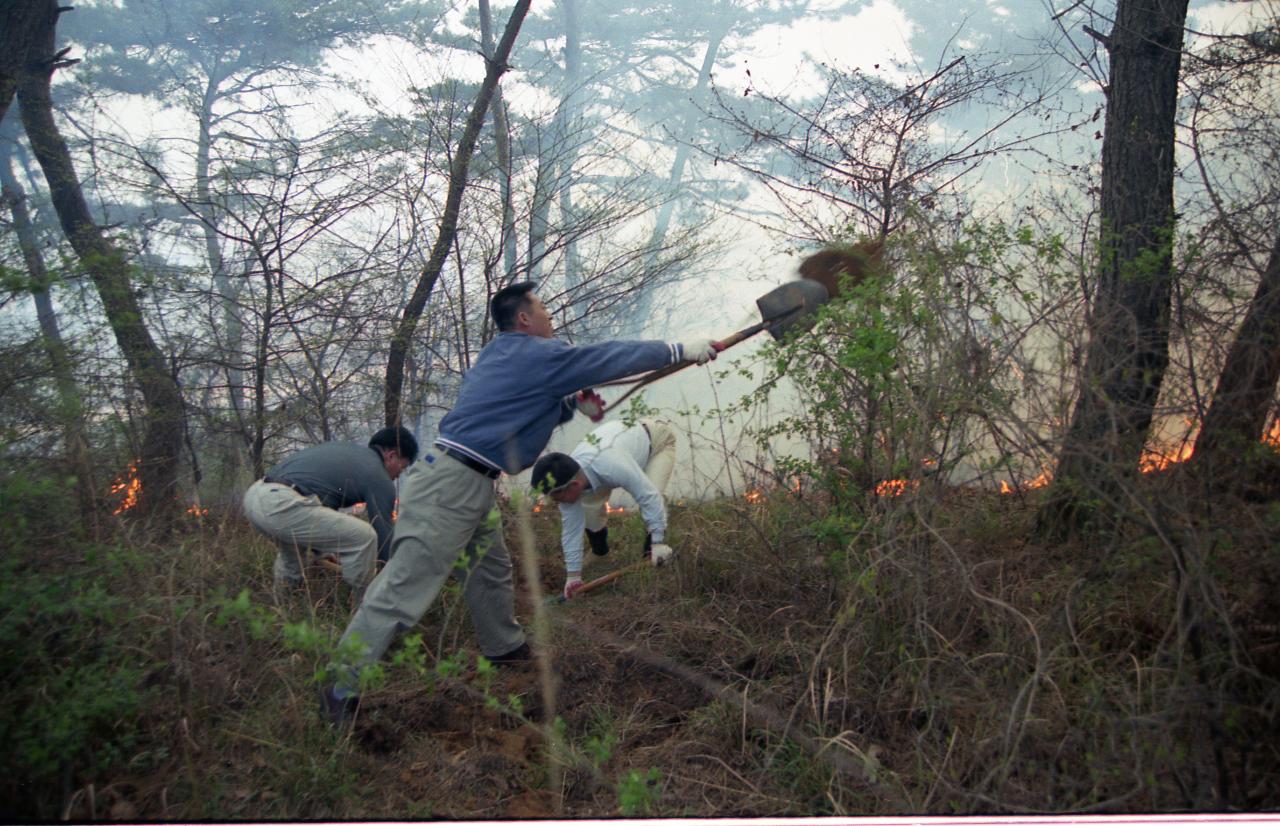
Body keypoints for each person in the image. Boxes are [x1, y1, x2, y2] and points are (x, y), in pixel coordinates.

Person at [319, 281, 719, 724]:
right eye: (543, 309)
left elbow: (525, 401)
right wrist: (680, 349)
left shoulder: (501, 354)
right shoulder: (534, 353)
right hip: (451, 485)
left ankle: (503, 647)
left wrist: (571, 404)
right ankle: (341, 683)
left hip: (466, 480)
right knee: (404, 585)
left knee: (490, 568)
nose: (550, 317)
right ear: (524, 319)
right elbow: (603, 358)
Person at [242, 426, 418, 601]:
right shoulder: (378, 475)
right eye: (402, 469)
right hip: (281, 505)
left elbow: (319, 505)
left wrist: (322, 552)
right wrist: (400, 580)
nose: (397, 476)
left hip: (255, 497)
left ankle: (282, 611)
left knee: (293, 559)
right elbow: (383, 537)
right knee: (365, 537)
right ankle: (366, 609)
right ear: (392, 456)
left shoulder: (346, 452)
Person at [530, 419, 678, 601]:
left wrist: (658, 541)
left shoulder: (611, 465)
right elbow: (571, 530)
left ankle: (655, 557)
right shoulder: (571, 477)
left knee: (654, 496)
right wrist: (573, 576)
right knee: (589, 512)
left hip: (656, 443)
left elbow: (649, 496)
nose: (557, 503)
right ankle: (601, 554)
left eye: (556, 497)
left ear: (574, 485)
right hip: (616, 457)